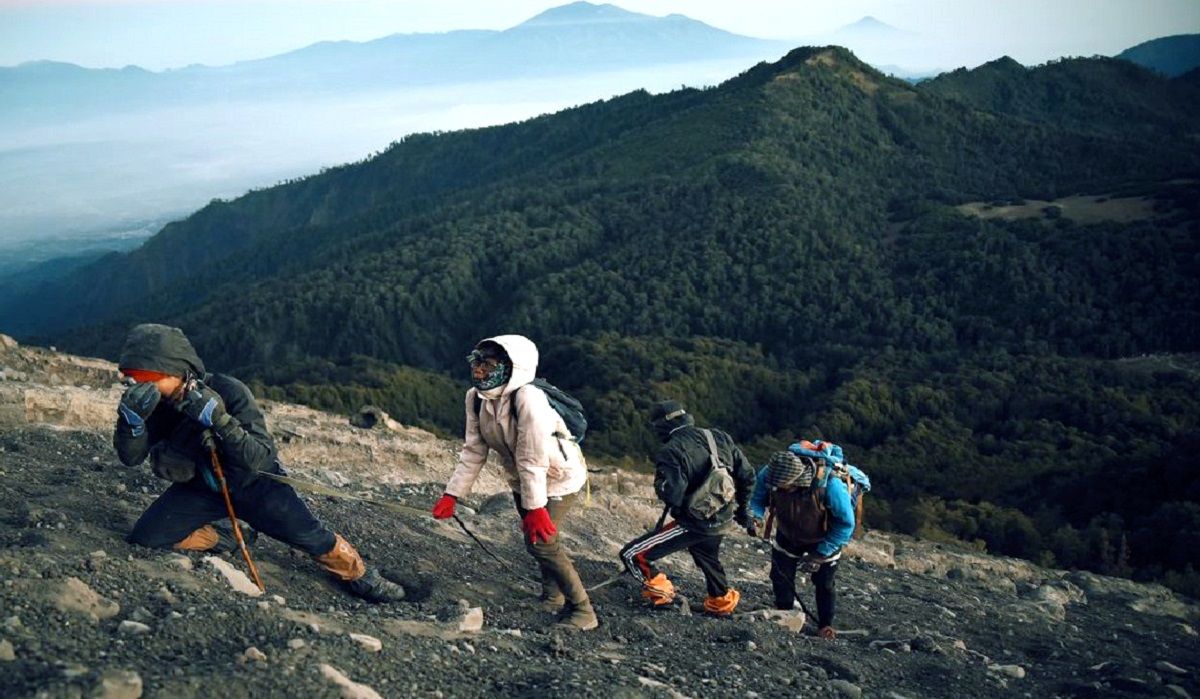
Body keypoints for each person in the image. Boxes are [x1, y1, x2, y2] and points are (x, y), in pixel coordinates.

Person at [114, 323, 404, 602]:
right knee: (147, 537)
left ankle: (362, 577)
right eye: (132, 379)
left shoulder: (229, 391)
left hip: (258, 485)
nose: (139, 387)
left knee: (310, 536)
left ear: (177, 371)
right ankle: (226, 537)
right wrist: (131, 424)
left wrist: (221, 421)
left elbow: (259, 458)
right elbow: (131, 457)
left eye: (147, 379)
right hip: (202, 488)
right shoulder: (153, 407)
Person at [430, 335, 598, 631]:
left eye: (489, 364)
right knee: (542, 542)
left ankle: (583, 610)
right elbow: (474, 450)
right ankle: (552, 596)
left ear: (513, 368)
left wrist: (536, 508)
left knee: (543, 545)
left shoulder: (528, 399)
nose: (479, 370)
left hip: (558, 479)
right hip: (525, 480)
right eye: (477, 362)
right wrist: (452, 494)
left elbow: (533, 458)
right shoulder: (476, 398)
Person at [619, 400, 755, 616]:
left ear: (662, 426)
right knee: (707, 556)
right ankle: (721, 602)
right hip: (723, 515)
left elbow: (672, 494)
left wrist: (660, 484)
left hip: (695, 522)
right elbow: (747, 475)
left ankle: (662, 596)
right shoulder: (717, 436)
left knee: (633, 555)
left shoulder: (671, 450)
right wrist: (743, 510)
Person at [747, 448, 855, 639]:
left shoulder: (831, 486)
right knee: (780, 577)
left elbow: (846, 523)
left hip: (824, 538)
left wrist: (820, 554)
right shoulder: (769, 474)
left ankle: (825, 625)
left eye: (783, 487)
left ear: (797, 481)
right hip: (787, 534)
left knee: (824, 583)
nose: (777, 489)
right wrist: (755, 516)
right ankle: (784, 613)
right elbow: (757, 499)